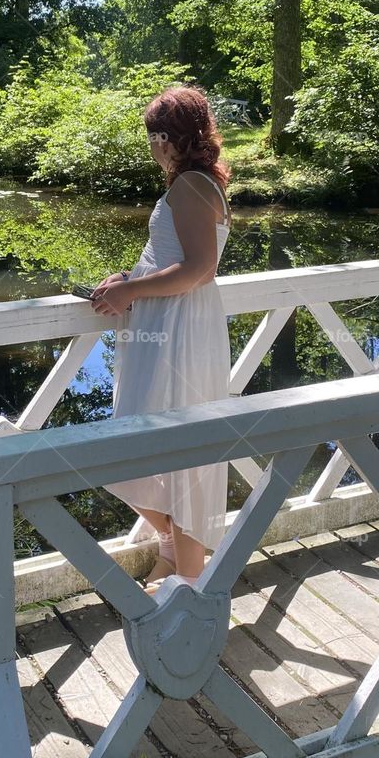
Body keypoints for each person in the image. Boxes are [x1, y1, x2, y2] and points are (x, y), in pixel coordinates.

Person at [91, 85, 232, 593]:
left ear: (180, 138)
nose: (153, 145)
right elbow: (167, 256)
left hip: (178, 332)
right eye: (151, 135)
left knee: (167, 449)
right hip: (171, 326)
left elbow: (199, 268)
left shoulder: (192, 187)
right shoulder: (194, 183)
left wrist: (131, 291)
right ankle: (174, 550)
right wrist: (124, 281)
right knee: (146, 444)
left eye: (160, 135)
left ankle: (190, 586)